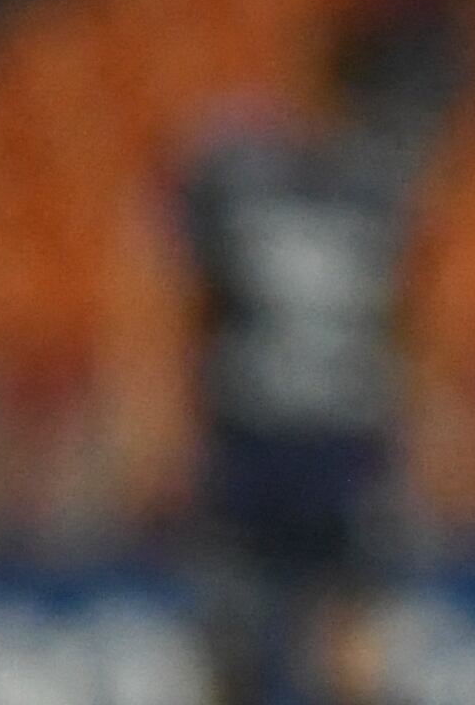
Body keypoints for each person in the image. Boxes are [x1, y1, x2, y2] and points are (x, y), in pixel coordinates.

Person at [175, 63, 425, 705]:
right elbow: (170, 293)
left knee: (351, 640)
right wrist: (160, 413)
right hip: (251, 438)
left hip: (345, 441)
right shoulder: (235, 179)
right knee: (230, 646)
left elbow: (415, 314)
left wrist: (427, 417)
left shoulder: (381, 189)